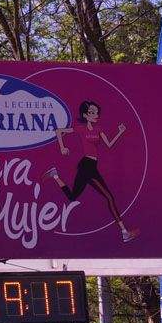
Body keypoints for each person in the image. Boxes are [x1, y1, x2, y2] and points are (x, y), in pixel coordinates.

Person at [46, 100, 136, 242]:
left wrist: (120, 132)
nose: (96, 115)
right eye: (92, 112)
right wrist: (62, 147)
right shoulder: (81, 129)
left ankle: (55, 175)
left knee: (72, 197)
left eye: (96, 113)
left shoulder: (98, 129)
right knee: (109, 197)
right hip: (86, 166)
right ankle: (124, 232)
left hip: (91, 166)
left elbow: (109, 144)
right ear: (85, 115)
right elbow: (59, 131)